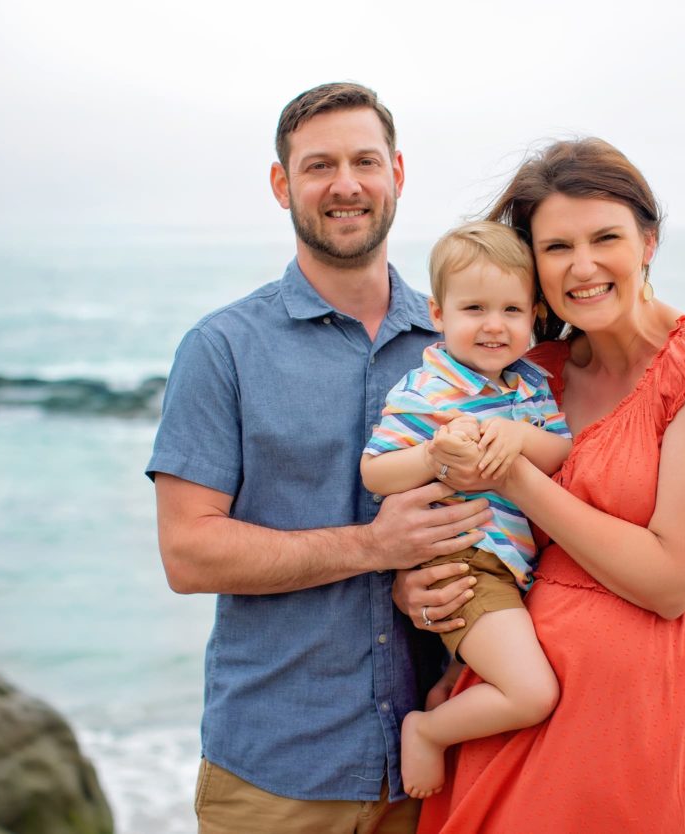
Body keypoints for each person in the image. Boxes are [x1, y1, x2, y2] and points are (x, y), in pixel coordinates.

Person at [145, 82, 487, 834]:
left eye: (365, 161)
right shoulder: (223, 349)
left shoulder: (460, 346)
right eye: (318, 165)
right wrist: (374, 548)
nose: (346, 185)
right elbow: (188, 553)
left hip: (432, 771)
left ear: (397, 172)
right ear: (282, 184)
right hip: (275, 773)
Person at [403, 138, 685, 833]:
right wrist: (416, 591)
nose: (584, 266)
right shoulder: (530, 371)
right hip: (505, 699)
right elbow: (460, 510)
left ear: (648, 241)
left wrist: (517, 476)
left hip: (629, 728)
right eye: (557, 247)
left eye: (606, 238)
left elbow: (672, 582)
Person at [360, 220, 573, 799]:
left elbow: (561, 455)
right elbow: (375, 471)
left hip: (515, 566)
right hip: (467, 564)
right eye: (474, 308)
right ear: (438, 313)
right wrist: (431, 454)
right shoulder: (423, 391)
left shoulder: (531, 388)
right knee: (531, 693)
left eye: (510, 310)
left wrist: (516, 435)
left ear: (534, 316)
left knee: (492, 672)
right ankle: (428, 730)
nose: (493, 325)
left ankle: (446, 694)